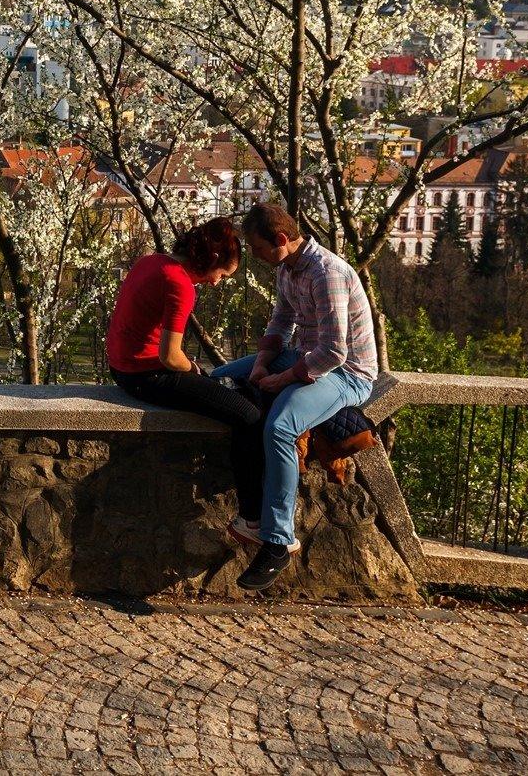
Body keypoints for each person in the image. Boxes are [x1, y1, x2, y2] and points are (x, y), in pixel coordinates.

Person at [213, 200, 381, 592]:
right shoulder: (288, 270)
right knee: (217, 382)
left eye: (256, 248)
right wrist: (262, 364)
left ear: (282, 239)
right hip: (304, 355)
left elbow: (335, 352)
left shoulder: (327, 274)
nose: (253, 256)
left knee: (282, 426)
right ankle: (252, 503)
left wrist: (283, 378)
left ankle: (277, 539)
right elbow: (281, 321)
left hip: (346, 373)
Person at [105, 218, 267, 547]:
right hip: (146, 375)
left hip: (123, 367)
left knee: (238, 391)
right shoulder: (179, 284)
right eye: (222, 275)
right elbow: (169, 356)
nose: (217, 283)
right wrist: (194, 369)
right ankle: (253, 518)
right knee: (248, 417)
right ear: (211, 261)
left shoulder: (153, 260)